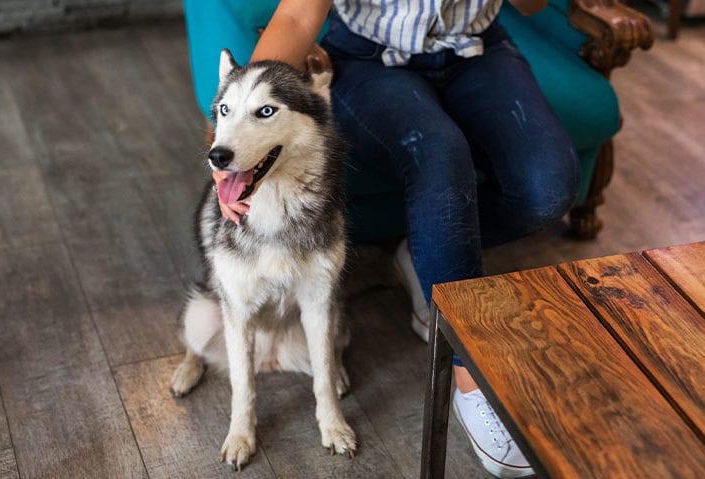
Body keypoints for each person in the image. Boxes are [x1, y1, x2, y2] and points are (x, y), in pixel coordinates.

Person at [214, 0, 579, 477]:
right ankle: (472, 379)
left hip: (476, 50)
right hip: (367, 58)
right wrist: (232, 151)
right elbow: (298, 18)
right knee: (438, 155)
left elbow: (531, 6)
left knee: (548, 189)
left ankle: (422, 251)